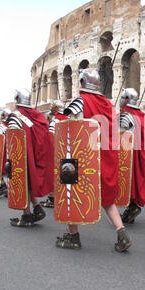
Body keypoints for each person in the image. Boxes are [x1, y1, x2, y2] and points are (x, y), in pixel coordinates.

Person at [56, 69, 132, 252]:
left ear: (82, 82)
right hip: (106, 158)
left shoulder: (80, 102)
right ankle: (122, 234)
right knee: (107, 199)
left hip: (84, 159)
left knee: (71, 192)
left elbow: (70, 128)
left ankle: (73, 236)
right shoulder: (107, 105)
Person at [7, 89, 54, 227]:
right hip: (34, 154)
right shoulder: (37, 115)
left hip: (24, 155)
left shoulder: (16, 116)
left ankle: (27, 215)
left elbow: (13, 141)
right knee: (29, 181)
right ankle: (37, 208)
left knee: (23, 181)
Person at [119, 88, 145, 225]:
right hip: (141, 153)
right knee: (133, 181)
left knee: (128, 180)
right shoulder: (140, 115)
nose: (121, 99)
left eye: (123, 97)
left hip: (131, 153)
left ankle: (132, 207)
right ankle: (131, 208)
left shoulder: (126, 114)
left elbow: (120, 137)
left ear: (127, 99)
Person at [41, 100, 67, 209]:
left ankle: (53, 198)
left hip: (56, 153)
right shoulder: (69, 120)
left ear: (55, 109)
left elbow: (51, 140)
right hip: (68, 153)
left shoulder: (54, 121)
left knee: (53, 174)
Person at [0, 108, 10, 198]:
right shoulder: (12, 125)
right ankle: (5, 186)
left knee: (2, 170)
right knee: (7, 171)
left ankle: (5, 186)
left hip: (3, 152)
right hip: (9, 152)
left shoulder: (1, 126)